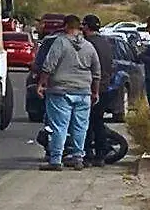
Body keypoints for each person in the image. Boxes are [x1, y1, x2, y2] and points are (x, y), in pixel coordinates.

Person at [37, 15, 101, 171]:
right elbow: (96, 71)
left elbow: (49, 65)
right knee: (80, 127)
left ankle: (56, 160)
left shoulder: (60, 42)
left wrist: (41, 83)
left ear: (65, 26)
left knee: (59, 127)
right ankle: (78, 158)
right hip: (83, 91)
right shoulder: (88, 46)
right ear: (79, 27)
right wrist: (95, 92)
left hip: (60, 90)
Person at [80, 15, 115, 167]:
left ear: (86, 27)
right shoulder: (106, 43)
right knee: (98, 122)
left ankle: (87, 154)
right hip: (105, 87)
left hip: (92, 87)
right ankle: (100, 154)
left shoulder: (87, 44)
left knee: (85, 122)